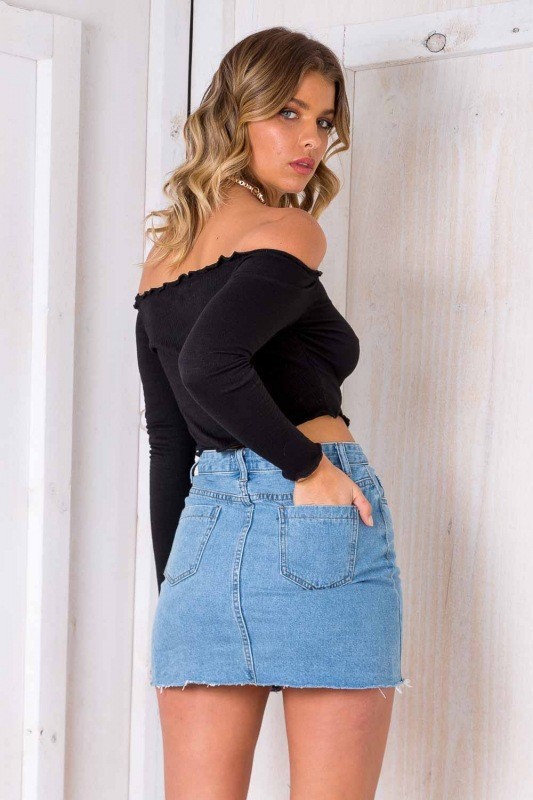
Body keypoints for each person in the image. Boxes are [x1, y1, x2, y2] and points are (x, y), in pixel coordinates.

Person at [133, 25, 410, 800]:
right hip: (314, 519)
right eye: (287, 113)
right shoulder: (289, 231)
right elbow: (209, 367)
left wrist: (177, 588)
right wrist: (308, 466)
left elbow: (169, 443)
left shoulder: (161, 264)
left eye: (322, 120)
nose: (310, 139)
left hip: (202, 542)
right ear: (236, 113)